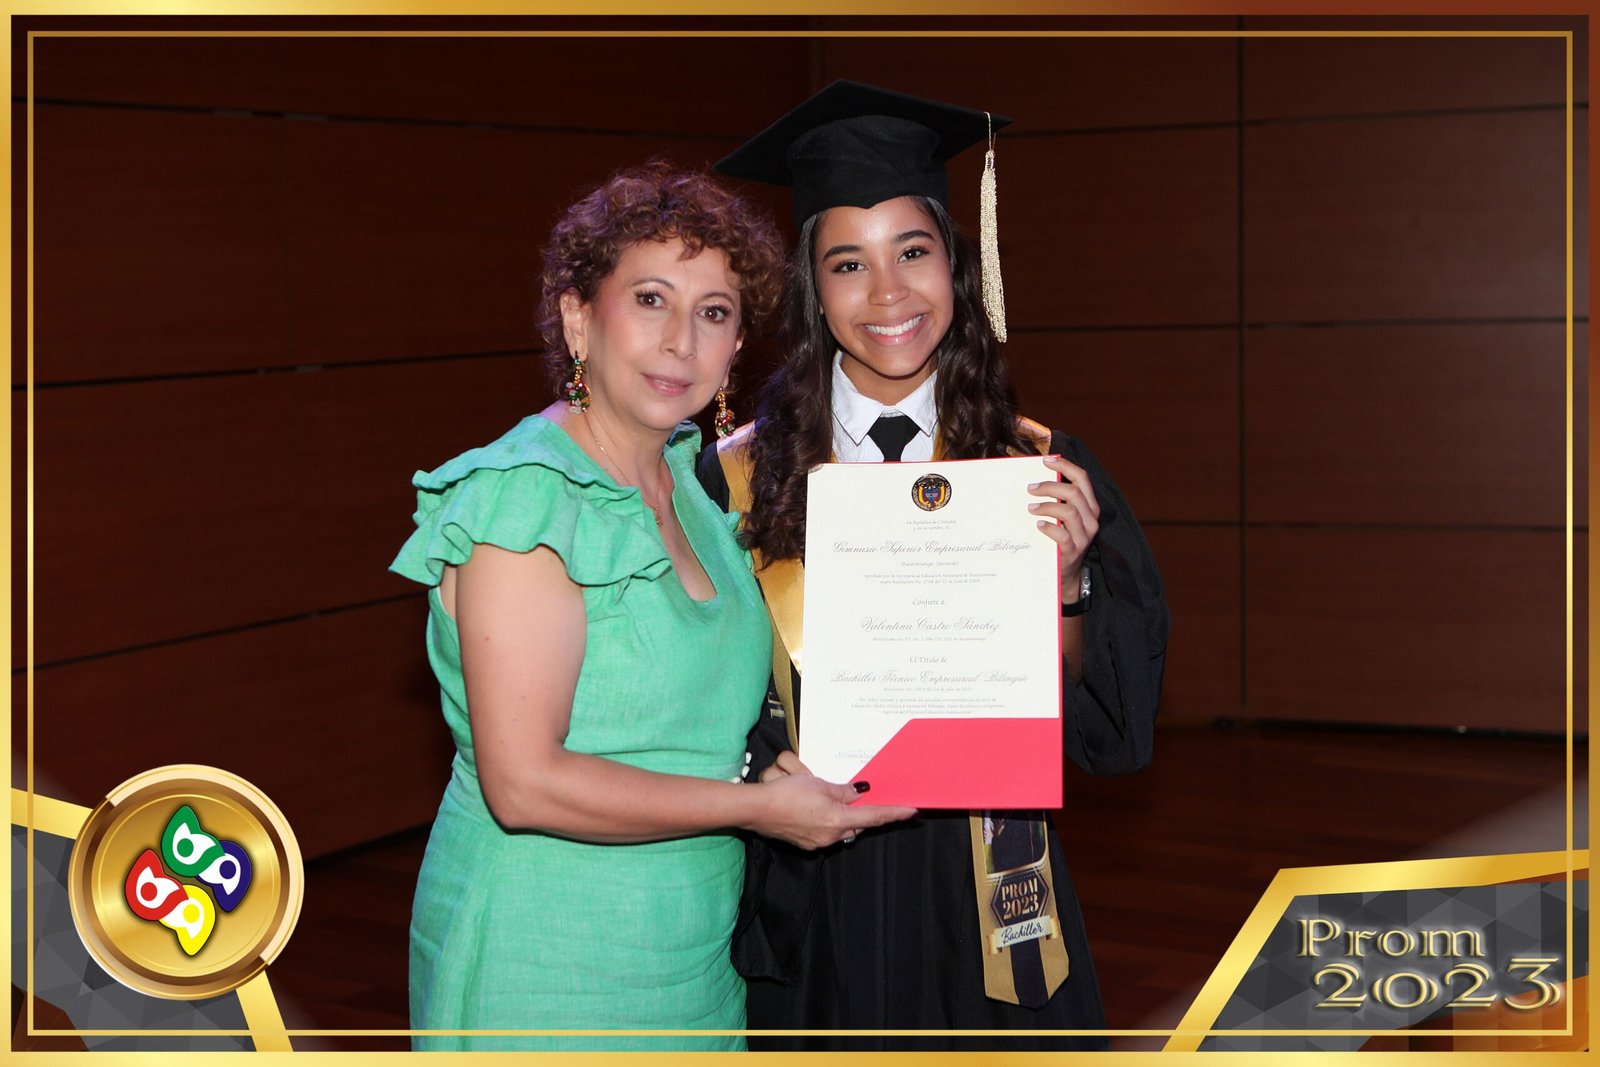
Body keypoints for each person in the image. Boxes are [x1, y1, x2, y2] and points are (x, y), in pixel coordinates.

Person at [389, 162, 914, 1052]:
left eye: (713, 313)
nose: (680, 341)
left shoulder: (694, 488)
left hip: (691, 952)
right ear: (577, 318)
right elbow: (525, 783)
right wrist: (757, 809)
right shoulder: (527, 497)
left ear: (737, 345)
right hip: (542, 957)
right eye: (650, 300)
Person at [698, 82, 1171, 1050]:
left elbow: (1113, 737)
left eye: (912, 251)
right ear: (812, 290)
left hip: (988, 894)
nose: (888, 294)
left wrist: (1068, 585)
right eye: (848, 263)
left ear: (955, 265)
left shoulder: (1035, 466)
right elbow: (683, 694)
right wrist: (755, 768)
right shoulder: (733, 478)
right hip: (811, 898)